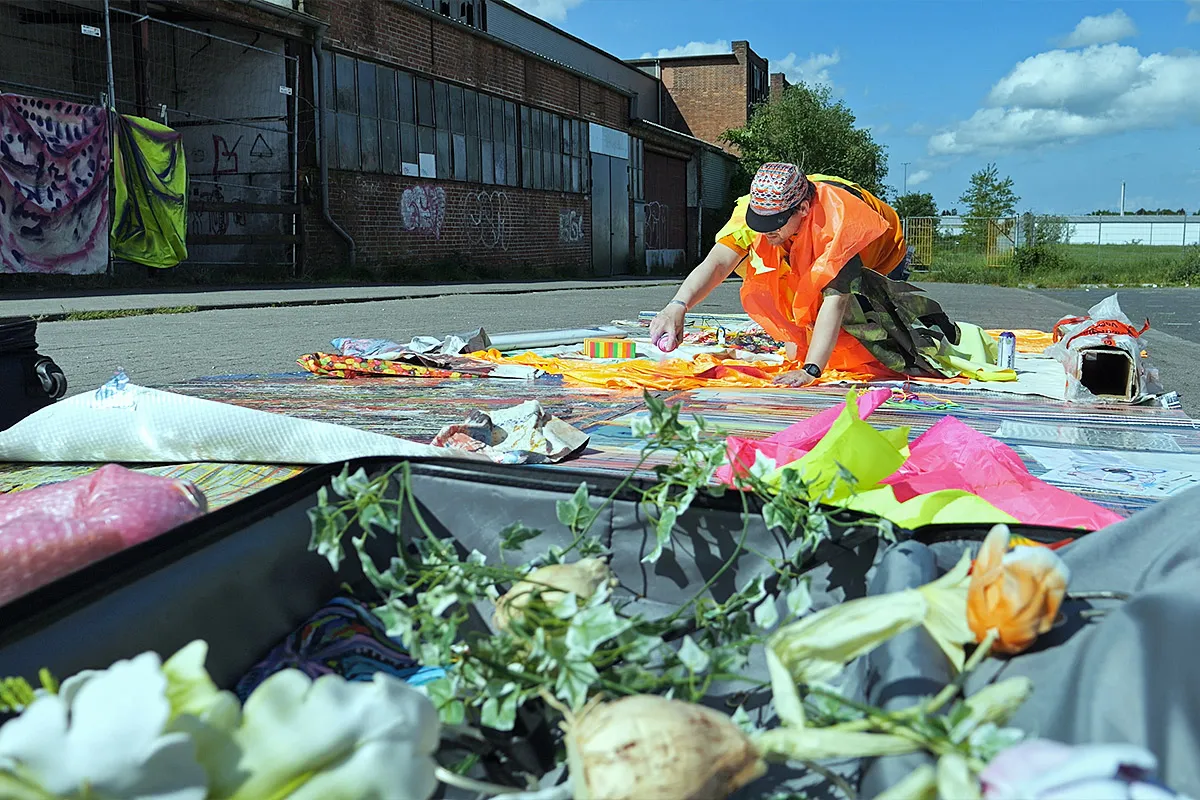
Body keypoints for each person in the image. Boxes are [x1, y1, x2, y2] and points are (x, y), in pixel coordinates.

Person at [649, 162, 975, 386]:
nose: (766, 233)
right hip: (811, 245)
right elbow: (718, 262)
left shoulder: (840, 227)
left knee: (874, 345)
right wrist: (676, 306)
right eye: (759, 223)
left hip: (882, 255)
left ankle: (942, 333)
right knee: (798, 340)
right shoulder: (764, 207)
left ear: (802, 210)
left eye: (774, 225)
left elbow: (835, 301)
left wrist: (812, 370)